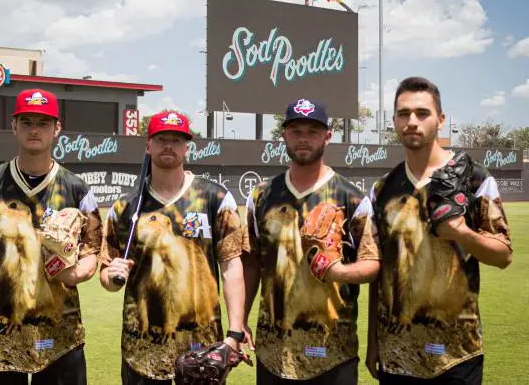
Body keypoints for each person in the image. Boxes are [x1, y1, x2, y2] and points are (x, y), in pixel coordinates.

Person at [0, 88, 102, 385]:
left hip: (60, 336)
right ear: (14, 125)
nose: (34, 129)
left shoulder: (78, 190)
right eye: (27, 121)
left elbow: (91, 252)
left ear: (57, 129)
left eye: (43, 123)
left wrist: (77, 272)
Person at [366, 77, 513, 384]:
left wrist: (462, 232)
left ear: (441, 120)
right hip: (398, 353)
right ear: (394, 121)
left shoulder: (474, 179)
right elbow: (379, 272)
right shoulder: (381, 190)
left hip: (457, 353)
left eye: (422, 113)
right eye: (404, 114)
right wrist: (373, 340)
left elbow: (503, 255)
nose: (412, 122)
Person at [99, 111, 249, 384]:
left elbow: (231, 265)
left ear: (187, 148)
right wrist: (110, 277)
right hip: (141, 351)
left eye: (177, 140)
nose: (169, 145)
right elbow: (108, 276)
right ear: (148, 146)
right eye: (161, 139)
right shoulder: (125, 207)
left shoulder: (214, 197)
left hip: (201, 354)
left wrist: (235, 333)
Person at [242, 98, 381, 384]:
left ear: (328, 136)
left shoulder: (351, 198)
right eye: (295, 130)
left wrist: (339, 272)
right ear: (283, 134)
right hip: (273, 351)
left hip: (334, 352)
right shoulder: (260, 196)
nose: (303, 138)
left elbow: (373, 263)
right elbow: (252, 264)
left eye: (313, 131)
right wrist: (239, 319)